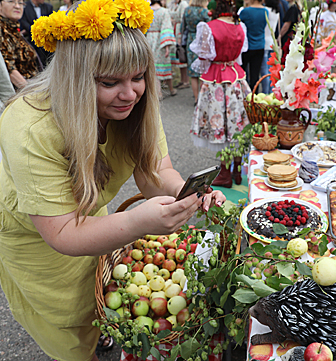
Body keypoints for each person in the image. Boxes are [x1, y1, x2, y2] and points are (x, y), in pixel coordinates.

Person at [0, 0, 226, 360]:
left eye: (138, 78)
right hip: (39, 240)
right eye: (110, 82)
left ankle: (99, 331)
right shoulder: (29, 127)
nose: (130, 94)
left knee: (103, 293)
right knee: (68, 324)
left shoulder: (135, 106)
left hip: (90, 216)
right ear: (74, 80)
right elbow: (63, 233)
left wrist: (183, 191)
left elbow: (156, 172)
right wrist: (140, 221)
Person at [190, 0, 251, 188]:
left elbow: (204, 58)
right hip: (236, 77)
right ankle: (236, 170)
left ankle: (224, 174)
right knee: (237, 124)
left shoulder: (209, 27)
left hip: (217, 80)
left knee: (222, 125)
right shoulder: (240, 26)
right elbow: (239, 55)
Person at [0, 0, 40, 89]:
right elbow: (8, 69)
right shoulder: (2, 29)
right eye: (11, 1)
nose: (17, 6)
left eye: (21, 3)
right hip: (18, 95)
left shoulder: (13, 29)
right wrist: (31, 92)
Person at [148, 0, 178, 98]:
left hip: (148, 39)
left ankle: (157, 91)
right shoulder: (164, 12)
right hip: (160, 40)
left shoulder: (148, 10)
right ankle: (164, 91)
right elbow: (166, 28)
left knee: (152, 66)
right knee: (163, 65)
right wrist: (167, 46)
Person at [183, 0, 210, 104]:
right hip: (203, 41)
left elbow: (183, 26)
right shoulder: (204, 11)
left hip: (190, 40)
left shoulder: (187, 10)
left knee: (193, 73)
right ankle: (203, 98)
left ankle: (196, 98)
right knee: (203, 70)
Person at [239, 0, 267, 92]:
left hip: (246, 46)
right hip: (260, 45)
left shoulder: (245, 11)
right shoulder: (265, 11)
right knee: (255, 75)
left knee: (242, 73)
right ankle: (253, 98)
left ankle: (243, 95)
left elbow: (239, 25)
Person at [19, 0, 52, 67]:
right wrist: (36, 31)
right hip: (32, 40)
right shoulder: (24, 7)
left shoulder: (48, 7)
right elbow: (23, 22)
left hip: (47, 41)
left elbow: (51, 22)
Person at [259, 0, 279, 94]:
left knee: (264, 71)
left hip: (264, 42)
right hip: (272, 42)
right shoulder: (276, 11)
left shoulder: (264, 10)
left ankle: (265, 92)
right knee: (272, 71)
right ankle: (272, 92)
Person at [169, 0, 190, 89]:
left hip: (180, 31)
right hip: (176, 29)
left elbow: (183, 19)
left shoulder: (183, 4)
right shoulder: (176, 5)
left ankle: (186, 81)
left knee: (182, 54)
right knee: (179, 56)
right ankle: (182, 80)